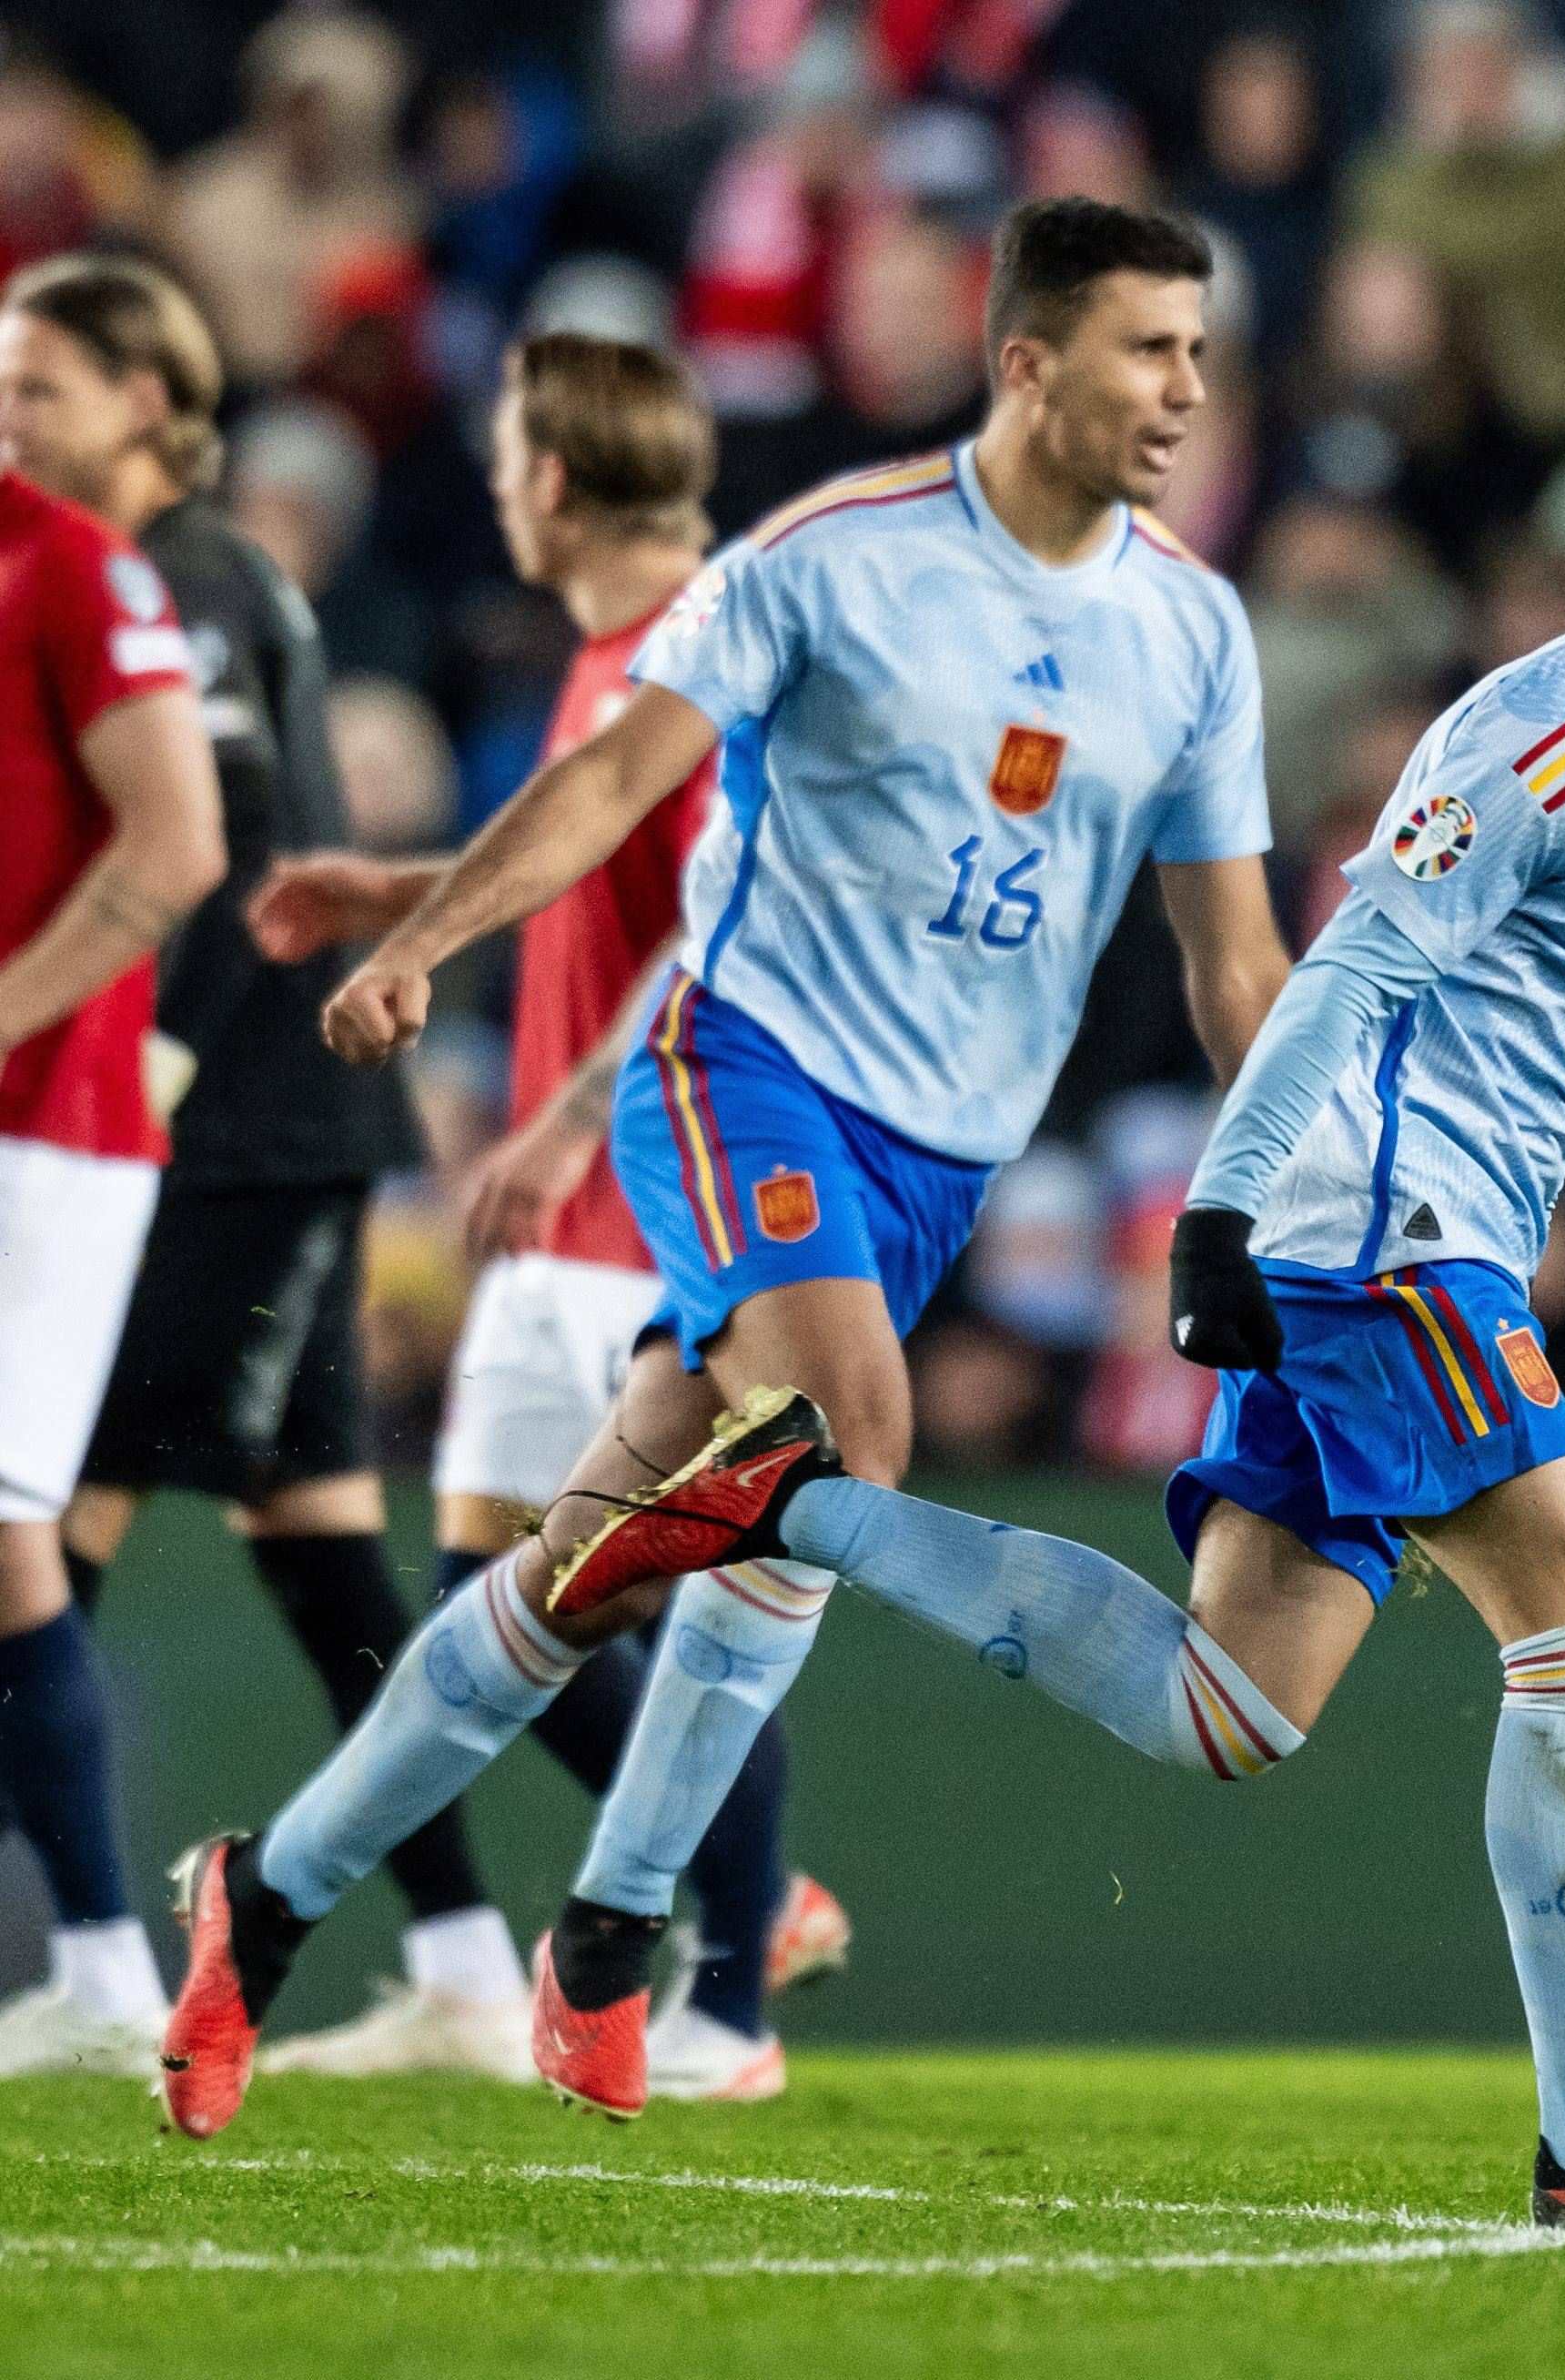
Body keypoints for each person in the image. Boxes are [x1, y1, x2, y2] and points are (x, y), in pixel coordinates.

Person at [530, 385, 1565, 2231]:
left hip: (1430, 1229)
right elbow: (1354, 968)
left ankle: (789, 1502)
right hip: (1373, 1227)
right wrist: (1222, 1215)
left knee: (1228, 1708)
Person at [155, 195, 1289, 2138]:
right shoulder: (824, 563)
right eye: (1148, 349)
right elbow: (606, 778)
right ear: (1025, 362)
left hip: (933, 1162)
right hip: (740, 1066)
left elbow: (1230, 956)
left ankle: (258, 1907)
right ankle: (614, 1938)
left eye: (1195, 351)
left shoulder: (1193, 629)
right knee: (847, 1428)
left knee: (582, 1573)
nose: (1188, 386)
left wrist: (1293, 1193)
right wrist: (425, 942)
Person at [242, 331, 848, 2100]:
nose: (493, 481)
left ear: (555, 476)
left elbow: (720, 925)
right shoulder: (615, 659)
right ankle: (753, 1906)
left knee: (591, 1594)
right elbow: (595, 869)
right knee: (511, 1589)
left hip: (647, 1184)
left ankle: (732, 1973)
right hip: (591, 1192)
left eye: (508, 452)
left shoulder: (703, 646)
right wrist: (400, 893)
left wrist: (569, 1113)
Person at [0, 253, 518, 2074]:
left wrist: (157, 1039)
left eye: (43, 389)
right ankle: (461, 1954)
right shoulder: (183, 576)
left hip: (229, 1122)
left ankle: (91, 1956)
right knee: (313, 1556)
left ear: (150, 401)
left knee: (47, 1522)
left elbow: (228, 857)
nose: (14, 420)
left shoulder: (179, 582)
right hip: (228, 1125)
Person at [0, 443, 222, 2077]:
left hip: (43, 1121)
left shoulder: (75, 564)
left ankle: (99, 1964)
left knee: (7, 1537)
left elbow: (176, 844)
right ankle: (94, 1969)